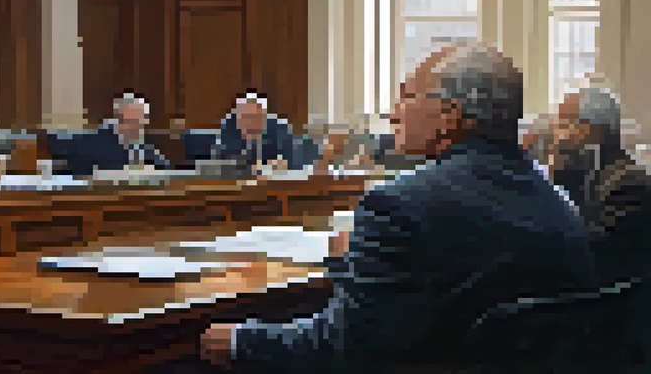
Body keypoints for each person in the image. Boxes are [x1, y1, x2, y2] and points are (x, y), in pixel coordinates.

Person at [200, 43, 596, 371]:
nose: (393, 114)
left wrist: (240, 340)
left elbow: (346, 347)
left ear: (449, 116)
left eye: (406, 96)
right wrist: (349, 264)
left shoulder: (397, 207)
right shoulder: (560, 202)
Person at [548, 83, 651, 285]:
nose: (557, 135)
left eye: (564, 123)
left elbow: (587, 251)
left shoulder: (629, 183)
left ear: (591, 129)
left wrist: (561, 182)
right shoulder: (588, 174)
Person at [82, 93, 172, 173]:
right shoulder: (98, 146)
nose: (136, 128)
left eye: (140, 123)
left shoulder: (148, 149)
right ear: (118, 121)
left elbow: (168, 173)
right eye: (131, 122)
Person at [213, 91, 306, 169]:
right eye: (245, 117)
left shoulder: (279, 128)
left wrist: (281, 163)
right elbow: (222, 158)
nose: (249, 122)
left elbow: (294, 158)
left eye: (255, 117)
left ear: (264, 117)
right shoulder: (229, 127)